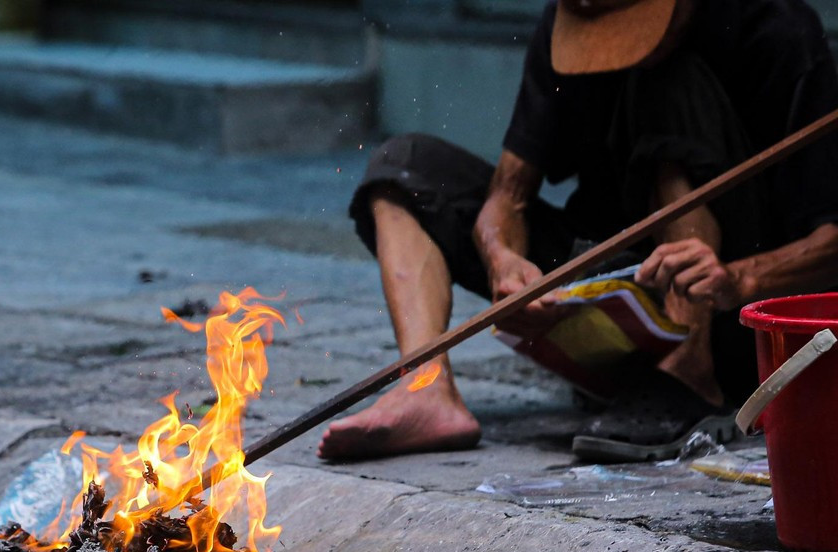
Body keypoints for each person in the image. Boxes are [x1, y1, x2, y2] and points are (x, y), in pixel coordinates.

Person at [319, 0, 838, 463]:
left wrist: (738, 279)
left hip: (734, 316)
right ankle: (425, 389)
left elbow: (829, 242)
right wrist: (504, 258)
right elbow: (509, 194)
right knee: (403, 169)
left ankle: (690, 371)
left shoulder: (778, 32)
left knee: (671, 83)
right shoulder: (566, 21)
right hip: (617, 289)